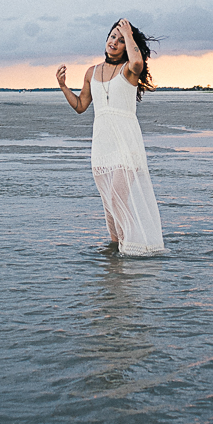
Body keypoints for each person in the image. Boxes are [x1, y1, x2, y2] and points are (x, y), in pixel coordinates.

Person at [56, 19, 166, 255]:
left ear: (128, 44)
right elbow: (81, 106)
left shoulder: (129, 69)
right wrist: (64, 86)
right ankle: (116, 252)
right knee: (109, 207)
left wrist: (128, 32)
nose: (114, 42)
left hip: (127, 146)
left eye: (120, 39)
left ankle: (129, 249)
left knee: (118, 200)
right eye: (112, 36)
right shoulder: (91, 72)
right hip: (103, 149)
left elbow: (138, 61)